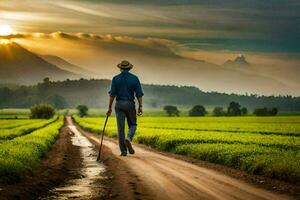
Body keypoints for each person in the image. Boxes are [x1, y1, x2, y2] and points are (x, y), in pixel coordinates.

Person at [107, 60, 144, 156]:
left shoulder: (115, 79)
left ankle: (123, 151)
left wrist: (109, 108)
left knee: (120, 128)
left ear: (120, 68)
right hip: (129, 104)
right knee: (133, 124)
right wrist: (140, 106)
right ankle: (128, 137)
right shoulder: (135, 78)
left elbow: (112, 95)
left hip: (119, 104)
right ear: (129, 68)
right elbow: (139, 94)